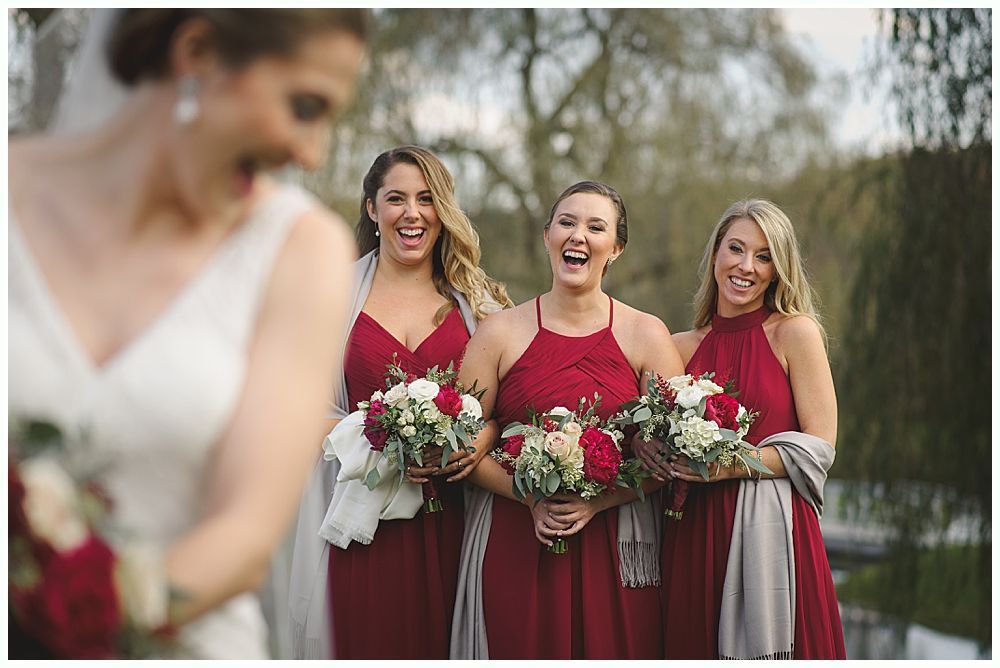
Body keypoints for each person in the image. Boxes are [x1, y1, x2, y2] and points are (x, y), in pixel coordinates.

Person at [8, 8, 368, 659]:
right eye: (304, 106)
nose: (311, 153)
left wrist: (54, 629)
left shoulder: (301, 251)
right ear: (197, 52)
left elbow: (245, 537)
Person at [286, 146, 512, 659]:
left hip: (456, 513)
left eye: (427, 199)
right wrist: (385, 442)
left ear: (444, 211)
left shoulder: (481, 306)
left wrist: (480, 439)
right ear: (372, 208)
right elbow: (302, 408)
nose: (412, 214)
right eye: (396, 199)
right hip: (364, 522)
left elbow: (508, 410)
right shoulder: (331, 296)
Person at [450, 181, 685, 659]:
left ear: (615, 248)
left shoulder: (647, 334)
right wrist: (530, 497)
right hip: (514, 540)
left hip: (615, 545)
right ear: (547, 236)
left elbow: (672, 455)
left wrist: (598, 504)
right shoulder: (499, 333)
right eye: (567, 222)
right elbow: (461, 447)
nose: (578, 236)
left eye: (596, 227)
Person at [635, 199, 845, 659]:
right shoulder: (675, 347)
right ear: (715, 255)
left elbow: (820, 447)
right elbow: (644, 426)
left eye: (764, 255)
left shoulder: (795, 333)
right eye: (736, 248)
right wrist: (643, 442)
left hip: (773, 533)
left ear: (778, 269)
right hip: (690, 531)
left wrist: (732, 467)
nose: (746, 266)